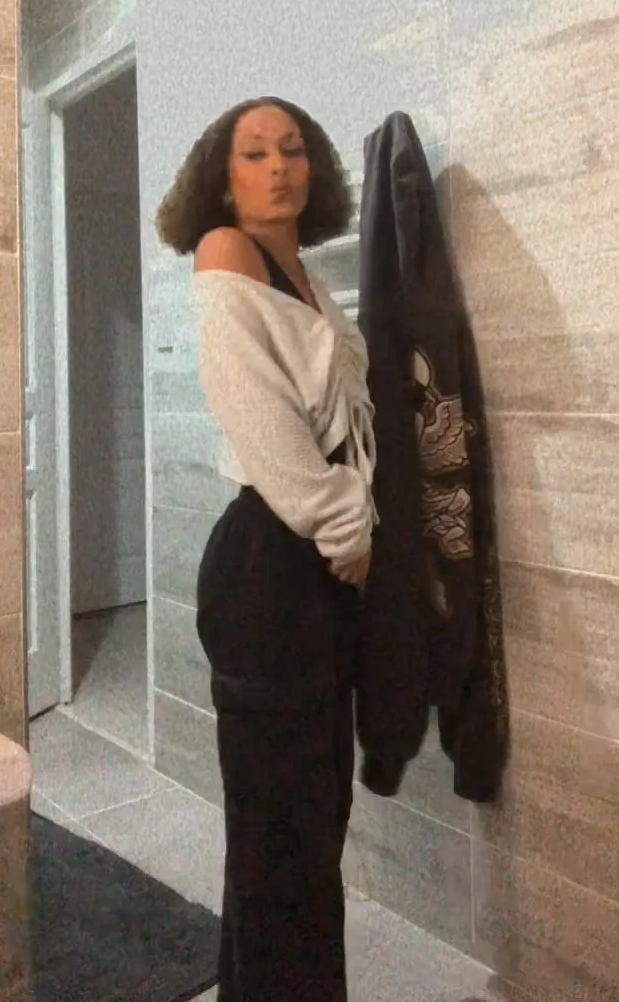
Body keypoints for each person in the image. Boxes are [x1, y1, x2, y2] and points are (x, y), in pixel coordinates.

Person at [155, 97, 377, 1001]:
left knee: (300, 834)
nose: (278, 166)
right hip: (270, 566)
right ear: (223, 179)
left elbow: (346, 419)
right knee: (284, 845)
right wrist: (344, 522)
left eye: (292, 149)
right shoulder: (227, 252)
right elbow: (258, 414)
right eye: (254, 153)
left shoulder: (305, 277)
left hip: (309, 569)